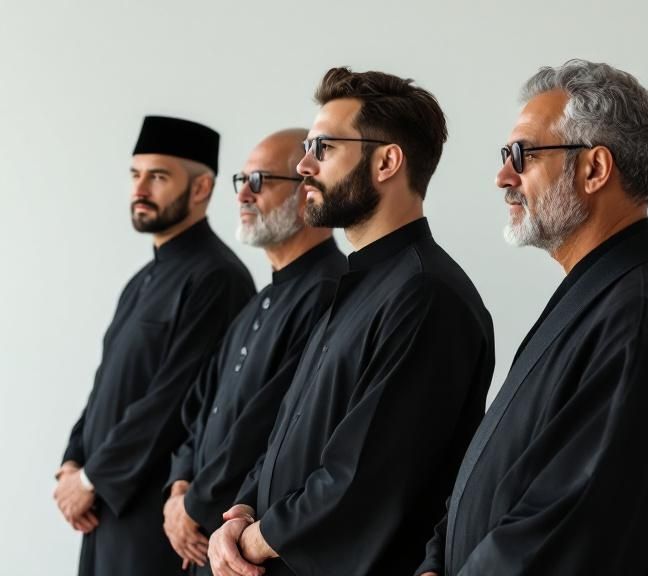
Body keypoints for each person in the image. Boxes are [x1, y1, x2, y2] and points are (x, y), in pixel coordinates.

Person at [416, 59, 648, 576]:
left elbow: (572, 531)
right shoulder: (598, 298)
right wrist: (435, 561)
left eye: (521, 155)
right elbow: (495, 469)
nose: (502, 177)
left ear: (594, 169)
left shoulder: (645, 320)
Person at [208, 68, 495, 576]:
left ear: (386, 161)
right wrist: (243, 510)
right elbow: (287, 438)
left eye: (323, 149)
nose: (302, 166)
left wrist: (255, 539)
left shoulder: (428, 295)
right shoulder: (356, 284)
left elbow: (365, 474)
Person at [53, 115, 255, 576]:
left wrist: (91, 478)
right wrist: (72, 462)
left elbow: (173, 400)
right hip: (103, 507)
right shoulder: (141, 280)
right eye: (134, 175)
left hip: (152, 516)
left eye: (158, 177)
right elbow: (106, 385)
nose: (140, 188)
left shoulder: (216, 278)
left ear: (202, 188)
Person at [162, 128, 346, 574]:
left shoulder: (329, 292)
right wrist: (179, 487)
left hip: (247, 540)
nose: (243, 194)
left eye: (260, 180)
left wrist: (197, 505)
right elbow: (201, 404)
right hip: (208, 537)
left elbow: (266, 424)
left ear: (308, 190)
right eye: (240, 181)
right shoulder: (260, 299)